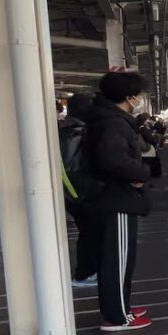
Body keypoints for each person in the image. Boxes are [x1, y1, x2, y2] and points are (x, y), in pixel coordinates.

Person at [85, 72, 153, 331]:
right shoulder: (113, 123)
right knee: (118, 260)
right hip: (116, 200)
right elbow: (113, 160)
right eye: (138, 95)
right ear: (129, 97)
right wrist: (141, 174)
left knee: (118, 259)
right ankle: (117, 317)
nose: (140, 99)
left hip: (113, 198)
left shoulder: (106, 119)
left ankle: (121, 307)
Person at [62, 93, 101, 288]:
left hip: (73, 194)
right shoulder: (77, 132)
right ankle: (84, 274)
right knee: (89, 233)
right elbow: (75, 167)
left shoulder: (65, 129)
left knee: (88, 233)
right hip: (82, 193)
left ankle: (88, 271)